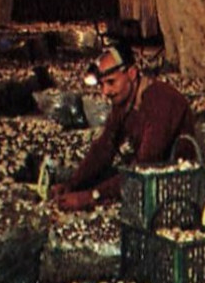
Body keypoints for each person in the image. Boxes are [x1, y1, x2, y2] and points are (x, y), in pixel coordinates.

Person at [51, 40, 197, 211]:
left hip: (175, 190)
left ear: (132, 73)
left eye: (111, 82)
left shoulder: (160, 101)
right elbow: (105, 147)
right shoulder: (124, 103)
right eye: (102, 85)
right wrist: (73, 183)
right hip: (148, 180)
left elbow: (144, 167)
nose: (105, 92)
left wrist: (92, 196)